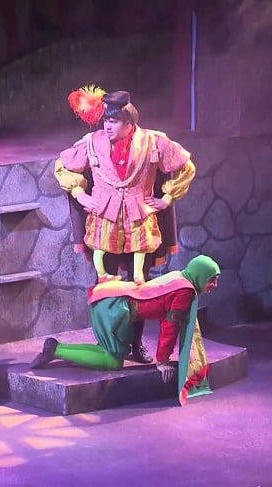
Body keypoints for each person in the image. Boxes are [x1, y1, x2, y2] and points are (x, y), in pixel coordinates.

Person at [55, 86, 196, 363]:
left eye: (114, 121)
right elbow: (62, 166)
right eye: (105, 120)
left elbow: (186, 166)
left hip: (139, 222)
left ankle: (135, 343)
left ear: (129, 122)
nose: (107, 126)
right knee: (104, 282)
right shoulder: (92, 142)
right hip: (104, 221)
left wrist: (167, 198)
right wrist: (80, 193)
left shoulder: (153, 142)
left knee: (138, 286)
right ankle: (107, 340)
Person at [29, 255, 220, 406]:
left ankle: (56, 347)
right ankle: (57, 350)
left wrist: (163, 356)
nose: (214, 285)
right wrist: (162, 360)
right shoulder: (184, 292)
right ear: (200, 275)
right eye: (212, 280)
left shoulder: (180, 277)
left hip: (111, 299)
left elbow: (165, 317)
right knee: (112, 362)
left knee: (107, 351)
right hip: (115, 307)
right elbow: (169, 326)